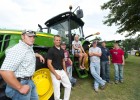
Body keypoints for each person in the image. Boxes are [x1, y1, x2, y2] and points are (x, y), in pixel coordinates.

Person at [0, 30, 45, 100]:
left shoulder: (28, 47)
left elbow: (28, 55)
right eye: (29, 36)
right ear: (22, 36)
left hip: (30, 81)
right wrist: (20, 88)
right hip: (20, 84)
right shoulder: (18, 49)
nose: (32, 38)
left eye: (33, 37)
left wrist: (38, 55)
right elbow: (5, 71)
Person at [47, 35, 71, 100]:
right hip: (55, 72)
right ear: (54, 41)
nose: (58, 41)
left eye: (59, 40)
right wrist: (56, 74)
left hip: (62, 71)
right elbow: (49, 64)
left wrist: (65, 71)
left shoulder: (62, 50)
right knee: (57, 90)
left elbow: (63, 61)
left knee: (68, 85)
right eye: (57, 40)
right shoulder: (51, 50)